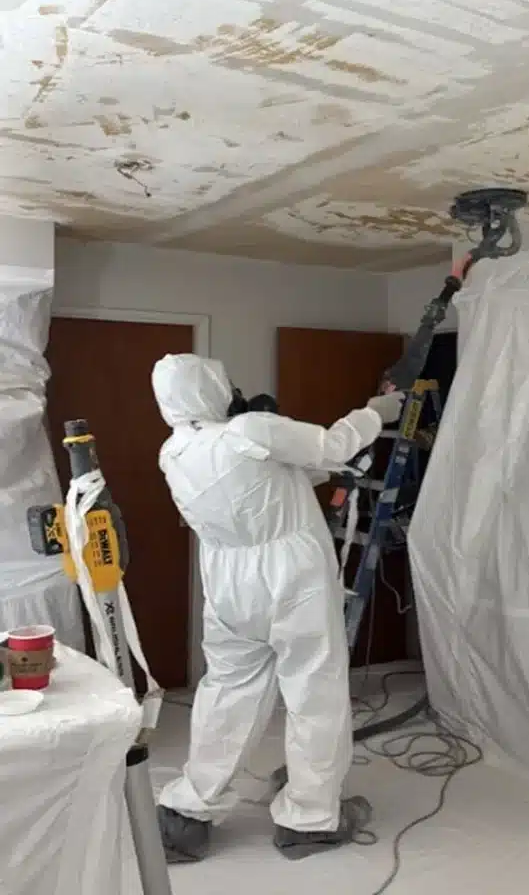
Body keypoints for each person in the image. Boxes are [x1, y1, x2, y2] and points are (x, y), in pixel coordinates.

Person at [150, 354, 405, 863]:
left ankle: (187, 813)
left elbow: (269, 484)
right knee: (314, 691)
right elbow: (334, 445)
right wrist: (377, 412)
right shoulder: (251, 428)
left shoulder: (174, 451)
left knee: (227, 690)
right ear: (213, 388)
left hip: (227, 583)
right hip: (291, 578)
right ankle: (308, 819)